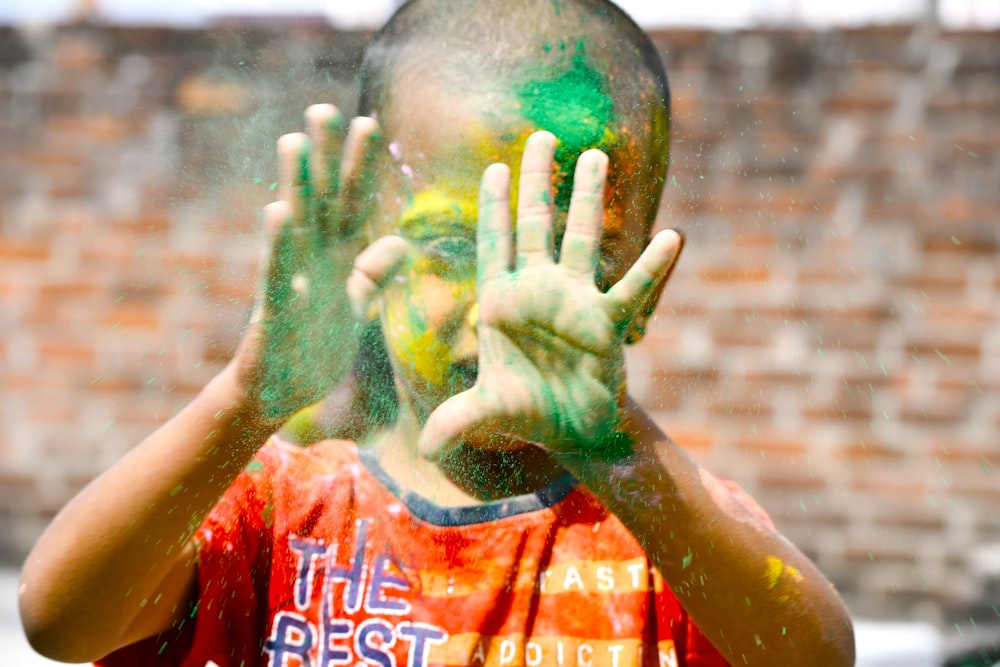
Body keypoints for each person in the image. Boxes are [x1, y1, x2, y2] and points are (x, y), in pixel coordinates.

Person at [19, 0, 856, 665]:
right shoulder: (281, 515)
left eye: (563, 256)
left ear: (640, 292)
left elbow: (817, 657)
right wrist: (249, 397)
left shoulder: (670, 533)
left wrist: (619, 449)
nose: (500, 305)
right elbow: (60, 621)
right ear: (366, 248)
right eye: (452, 246)